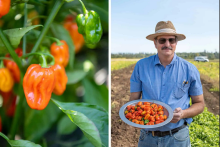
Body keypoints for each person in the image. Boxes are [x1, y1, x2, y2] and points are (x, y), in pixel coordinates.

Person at [129, 21, 204, 147]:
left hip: (177, 137)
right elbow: (133, 101)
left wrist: (183, 114)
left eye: (171, 40)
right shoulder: (141, 66)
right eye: (162, 40)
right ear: (155, 43)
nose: (167, 44)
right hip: (148, 137)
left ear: (176, 43)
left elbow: (200, 104)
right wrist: (133, 116)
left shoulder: (189, 69)